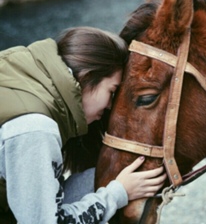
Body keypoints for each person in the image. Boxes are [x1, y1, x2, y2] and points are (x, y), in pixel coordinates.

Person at [0, 26, 166, 224]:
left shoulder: (25, 87)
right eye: (111, 92)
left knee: (96, 177)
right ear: (88, 77)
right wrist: (117, 193)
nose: (110, 106)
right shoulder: (36, 128)